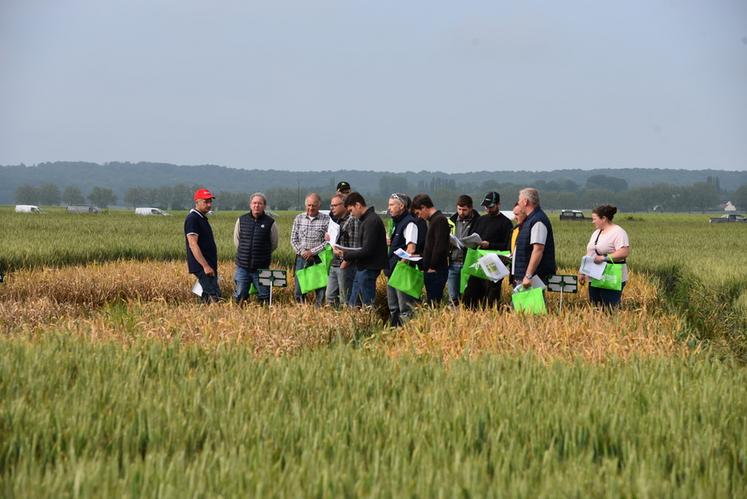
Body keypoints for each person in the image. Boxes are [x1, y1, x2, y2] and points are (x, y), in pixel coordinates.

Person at [334, 192, 387, 307]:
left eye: (351, 210)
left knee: (366, 304)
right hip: (363, 267)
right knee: (354, 304)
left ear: (358, 205)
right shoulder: (367, 220)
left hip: (369, 268)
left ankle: (368, 323)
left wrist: (345, 255)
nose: (351, 214)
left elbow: (367, 250)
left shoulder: (371, 221)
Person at [462, 191, 513, 308]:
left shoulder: (506, 223)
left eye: (490, 206)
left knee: (491, 297)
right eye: (485, 206)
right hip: (478, 263)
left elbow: (507, 246)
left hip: (495, 265)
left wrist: (490, 245)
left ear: (498, 204)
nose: (487, 209)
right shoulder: (480, 220)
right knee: (470, 294)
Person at [578, 205, 631, 307]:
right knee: (595, 306)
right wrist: (582, 271)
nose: (593, 222)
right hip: (595, 277)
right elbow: (590, 253)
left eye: (595, 219)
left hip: (611, 276)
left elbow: (624, 252)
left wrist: (604, 258)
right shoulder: (596, 233)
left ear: (604, 218)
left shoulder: (618, 232)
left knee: (609, 307)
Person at [232, 192, 278, 304]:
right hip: (242, 267)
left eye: (260, 203)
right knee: (240, 296)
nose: (256, 205)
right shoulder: (241, 220)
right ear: (250, 205)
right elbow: (237, 240)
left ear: (264, 206)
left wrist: (261, 254)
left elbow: (274, 244)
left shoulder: (271, 223)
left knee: (265, 296)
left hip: (262, 267)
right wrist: (245, 253)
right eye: (254, 203)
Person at [385, 193, 422, 326]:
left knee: (404, 308)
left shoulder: (410, 223)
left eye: (392, 205)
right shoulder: (396, 222)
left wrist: (400, 266)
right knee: (393, 307)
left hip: (401, 272)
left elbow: (411, 249)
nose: (389, 208)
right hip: (392, 270)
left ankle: (405, 335)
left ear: (401, 206)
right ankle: (394, 332)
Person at [290, 193, 330, 305]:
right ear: (305, 205)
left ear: (319, 205)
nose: (311, 208)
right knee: (299, 288)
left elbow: (328, 242)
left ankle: (318, 312)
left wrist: (312, 252)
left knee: (320, 288)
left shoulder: (326, 219)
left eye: (314, 205)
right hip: (301, 258)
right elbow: (293, 239)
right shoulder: (299, 218)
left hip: (319, 258)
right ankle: (301, 311)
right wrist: (303, 252)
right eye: (309, 205)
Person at [513, 187, 557, 289]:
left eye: (519, 200)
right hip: (525, 276)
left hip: (532, 278)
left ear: (525, 202)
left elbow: (538, 250)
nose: (518, 202)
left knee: (530, 305)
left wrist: (528, 275)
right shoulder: (530, 220)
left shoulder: (538, 221)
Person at [412, 194, 450, 306]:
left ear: (423, 207)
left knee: (434, 304)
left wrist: (432, 267)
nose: (419, 216)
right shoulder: (433, 220)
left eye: (418, 213)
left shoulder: (439, 220)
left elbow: (440, 247)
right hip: (431, 270)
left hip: (436, 271)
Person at [184, 188, 221, 303]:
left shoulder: (201, 217)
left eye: (210, 201)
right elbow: (193, 244)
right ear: (197, 202)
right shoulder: (193, 219)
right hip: (202, 265)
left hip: (208, 264)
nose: (209, 204)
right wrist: (205, 266)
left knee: (206, 297)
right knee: (214, 295)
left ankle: (202, 318)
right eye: (206, 202)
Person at [325, 193, 361, 307]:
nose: (332, 208)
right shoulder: (336, 220)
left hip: (346, 265)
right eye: (331, 205)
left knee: (345, 299)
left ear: (344, 205)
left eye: (335, 205)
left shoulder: (352, 220)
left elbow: (355, 246)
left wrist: (345, 263)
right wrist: (329, 240)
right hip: (334, 263)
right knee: (330, 297)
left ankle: (345, 322)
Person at [447, 195, 480, 306]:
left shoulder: (478, 221)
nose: (461, 212)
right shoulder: (451, 221)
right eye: (459, 209)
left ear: (471, 208)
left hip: (469, 263)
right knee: (452, 297)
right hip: (453, 261)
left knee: (467, 297)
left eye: (464, 210)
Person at [509, 202, 527, 282]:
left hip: (527, 277)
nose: (514, 218)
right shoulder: (514, 230)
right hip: (515, 275)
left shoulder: (530, 230)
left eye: (517, 214)